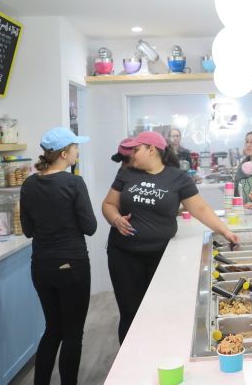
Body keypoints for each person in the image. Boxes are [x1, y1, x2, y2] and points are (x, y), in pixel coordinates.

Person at [101, 131, 239, 343]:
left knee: (160, 310)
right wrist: (116, 219)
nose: (132, 155)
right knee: (130, 312)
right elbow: (109, 204)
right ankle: (130, 364)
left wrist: (225, 231)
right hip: (124, 255)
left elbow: (200, 208)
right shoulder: (126, 173)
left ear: (152, 150)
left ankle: (158, 356)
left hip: (161, 256)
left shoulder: (177, 177)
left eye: (136, 150)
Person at [20, 127, 97, 385]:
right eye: (75, 147)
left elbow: (28, 230)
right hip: (72, 264)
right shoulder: (74, 183)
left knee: (53, 329)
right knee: (73, 333)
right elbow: (90, 227)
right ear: (64, 153)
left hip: (41, 266)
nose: (77, 151)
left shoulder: (29, 184)